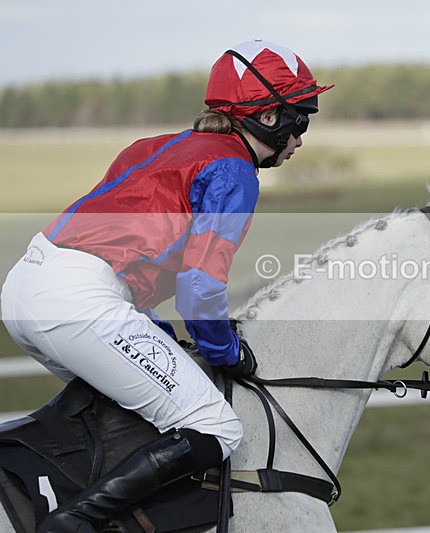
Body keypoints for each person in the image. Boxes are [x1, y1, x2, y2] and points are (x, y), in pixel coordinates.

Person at [0, 39, 331, 532]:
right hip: (81, 299)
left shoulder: (152, 147)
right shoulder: (234, 170)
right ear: (268, 118)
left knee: (128, 414)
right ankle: (69, 525)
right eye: (300, 120)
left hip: (29, 285)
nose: (301, 138)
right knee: (215, 426)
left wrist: (158, 335)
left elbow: (126, 260)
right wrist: (227, 352)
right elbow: (198, 288)